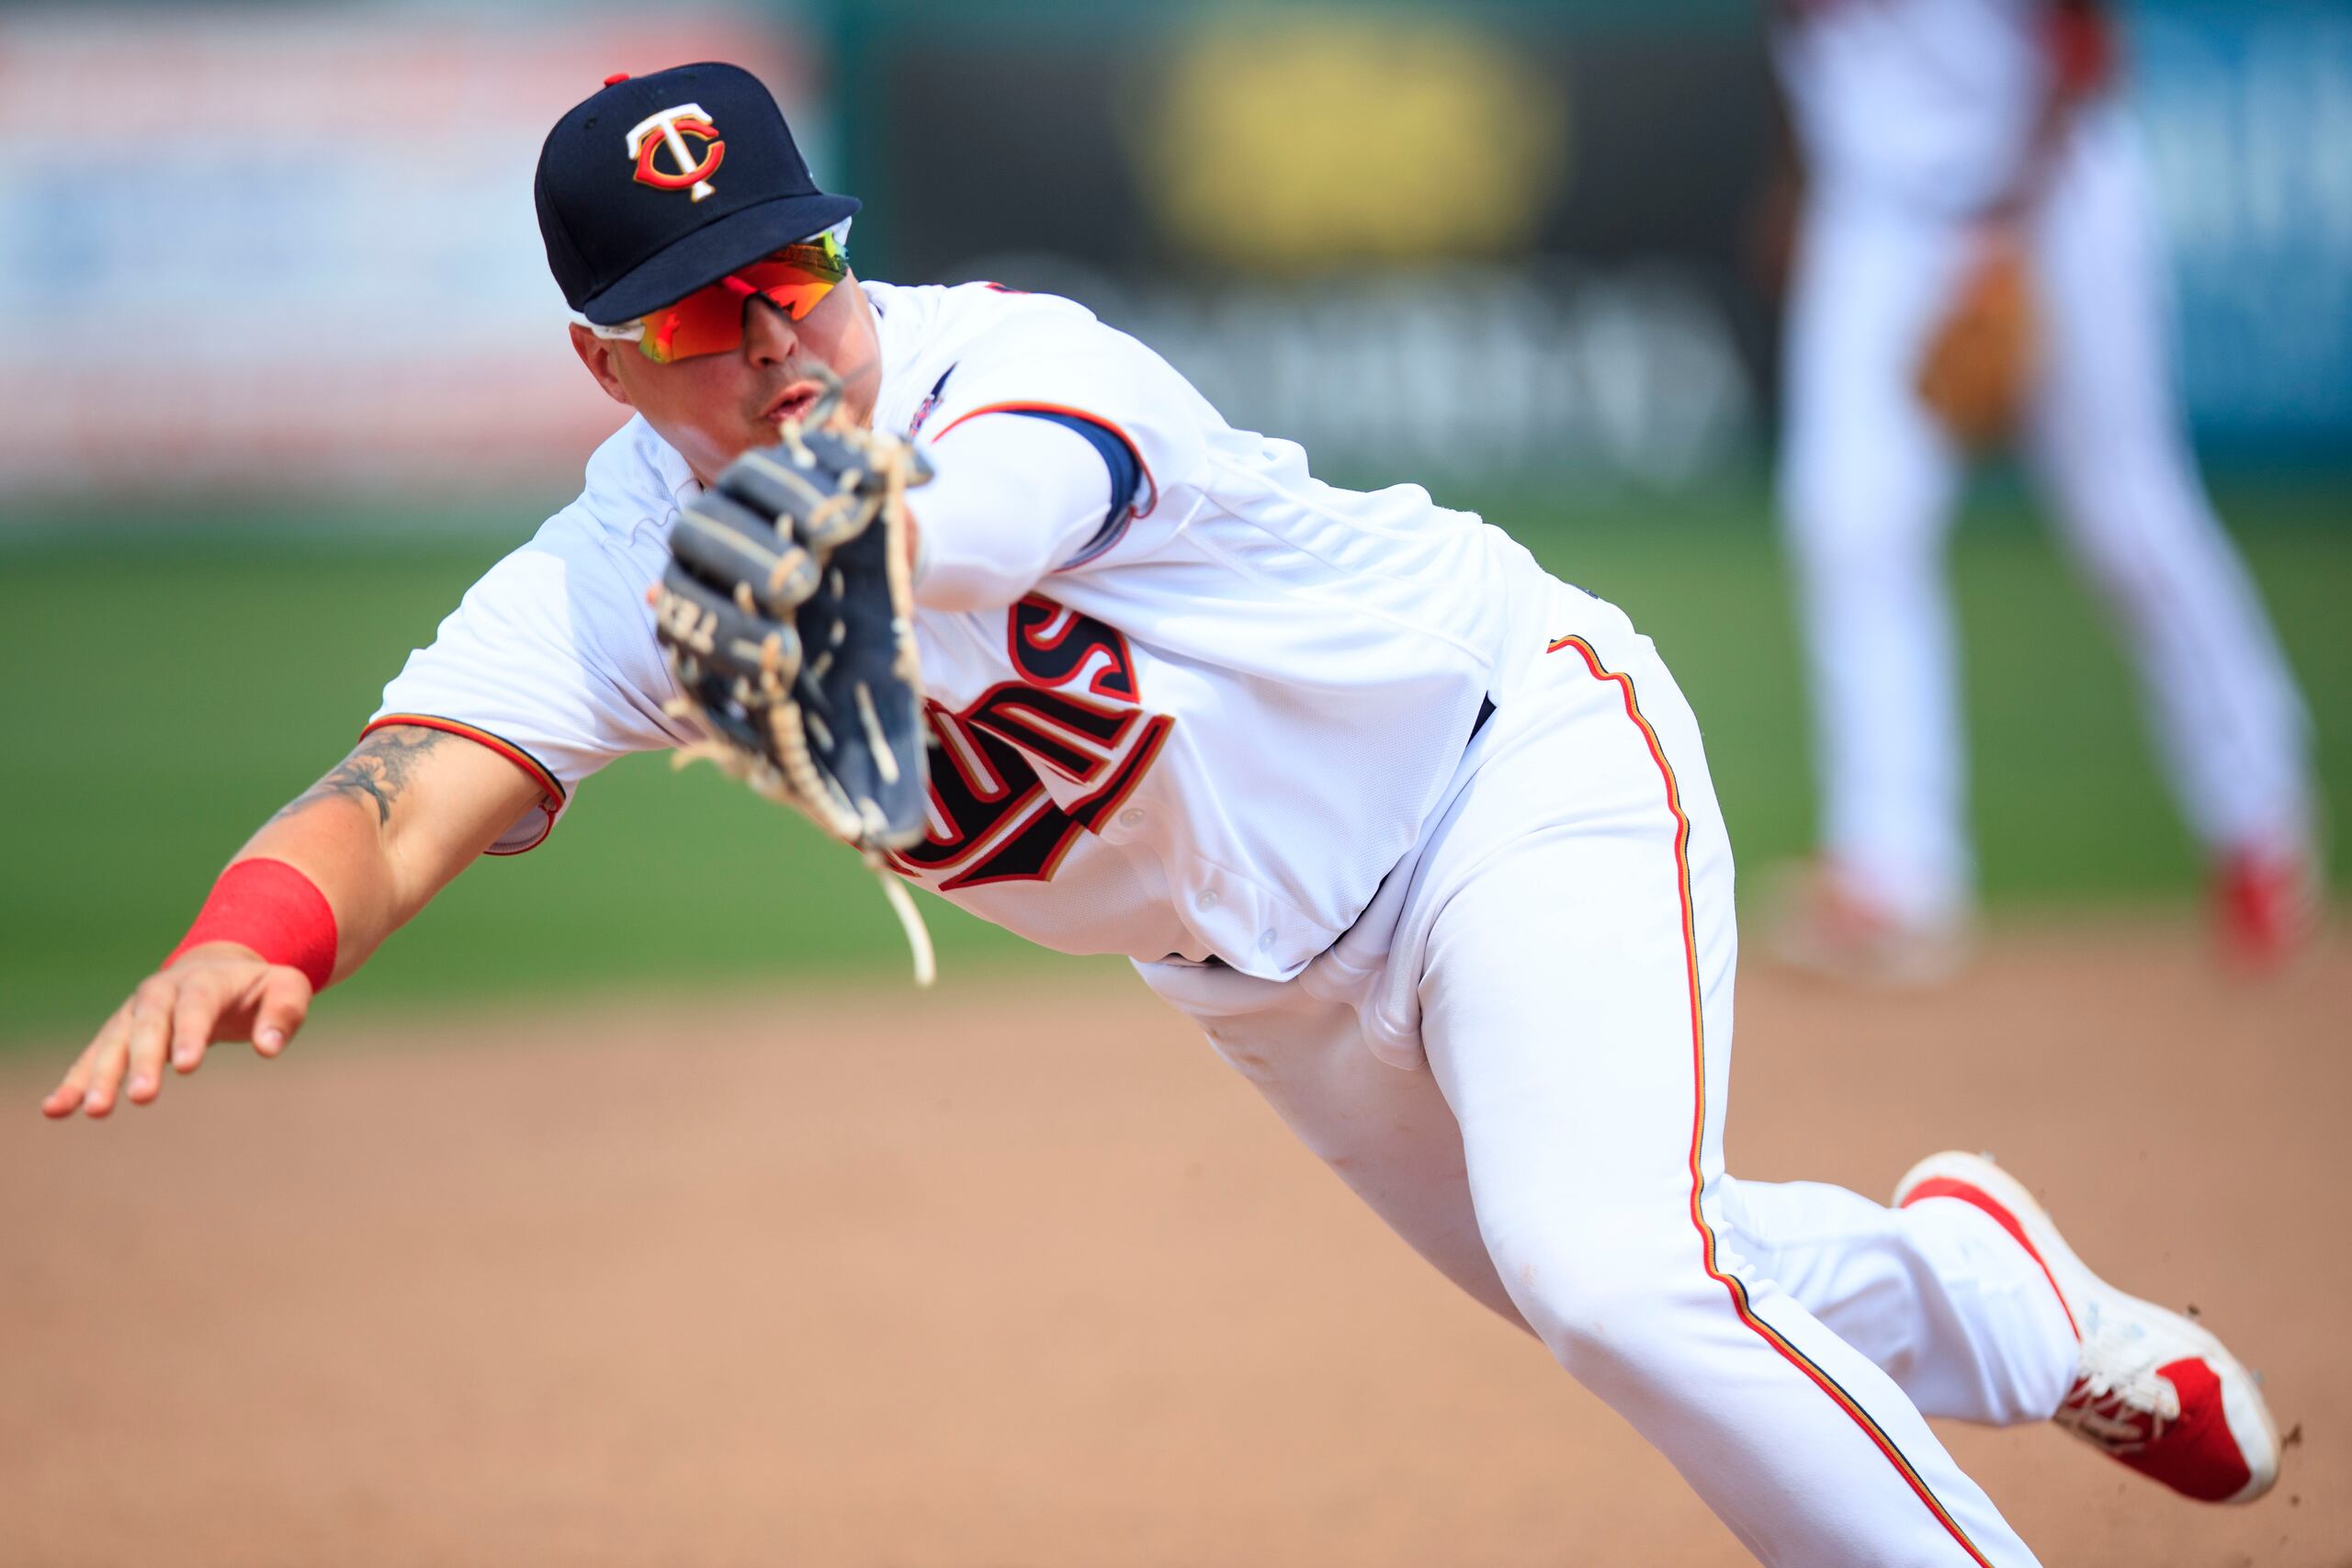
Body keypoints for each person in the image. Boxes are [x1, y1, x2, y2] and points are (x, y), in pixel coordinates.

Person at [43, 62, 2283, 1565]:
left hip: (1513, 767)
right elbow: (410, 782)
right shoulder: (610, 572)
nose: (768, 334)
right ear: (602, 362)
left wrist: (854, 517)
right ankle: (1982, 1292)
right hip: (1273, 991)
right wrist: (266, 919)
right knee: (1627, 1268)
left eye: (788, 272)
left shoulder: (1007, 366)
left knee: (1614, 1277)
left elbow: (1016, 492)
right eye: (695, 314)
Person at [1768, 0, 2320, 983]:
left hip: (2050, 193)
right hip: (1878, 210)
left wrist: (2002, 233)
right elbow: (1815, 47)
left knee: (2126, 518)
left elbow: (2084, 49)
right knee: (1847, 522)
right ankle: (1897, 873)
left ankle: (2261, 824)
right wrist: (1801, 185)